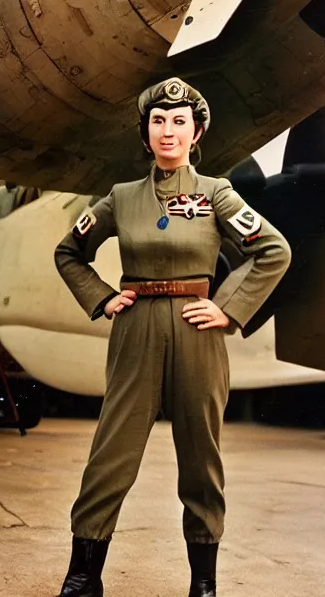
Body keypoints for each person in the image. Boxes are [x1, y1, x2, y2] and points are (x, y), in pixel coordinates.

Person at [54, 77, 292, 597]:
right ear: (145, 135)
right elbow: (68, 253)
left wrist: (228, 310)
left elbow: (273, 250)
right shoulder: (120, 199)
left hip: (196, 332)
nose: (168, 131)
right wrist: (101, 296)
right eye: (158, 121)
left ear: (196, 131)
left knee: (201, 461)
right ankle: (82, 576)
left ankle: (203, 584)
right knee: (110, 455)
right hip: (135, 329)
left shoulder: (216, 194)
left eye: (179, 121)